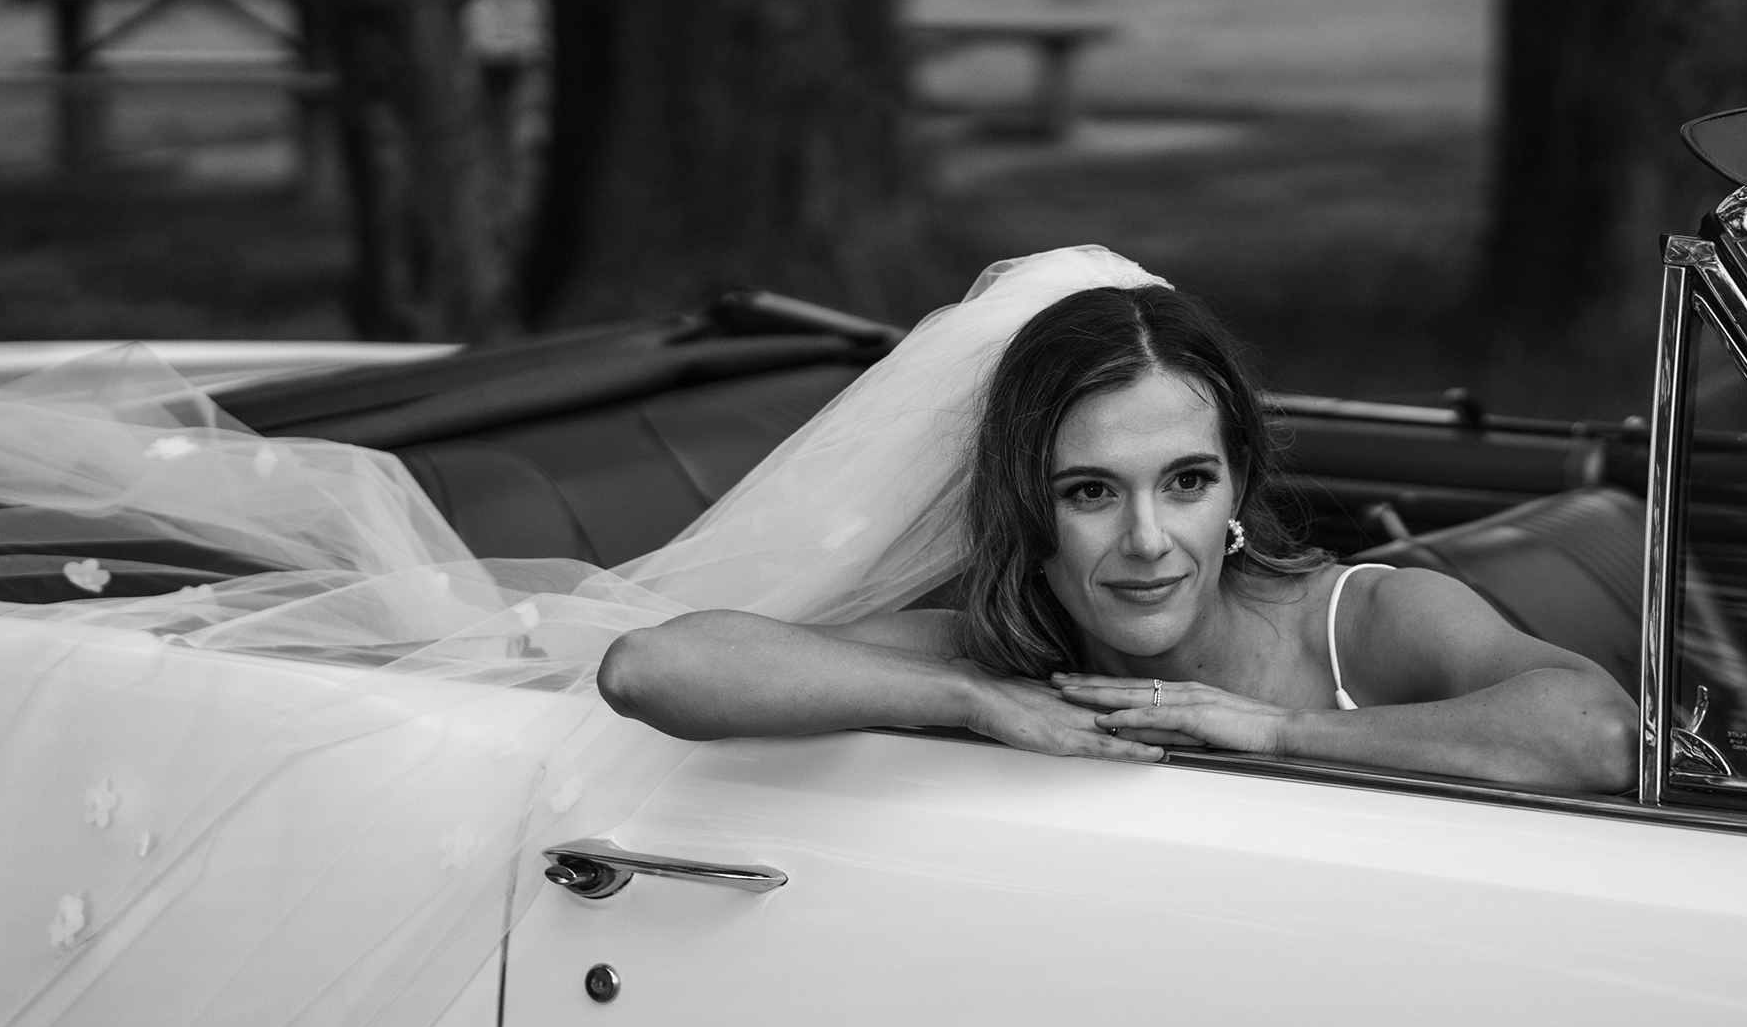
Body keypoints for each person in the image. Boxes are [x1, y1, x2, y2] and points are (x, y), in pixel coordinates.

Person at [598, 282, 1634, 793]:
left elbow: (1598, 736)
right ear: (1029, 508)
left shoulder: (1360, 622)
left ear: (1236, 485)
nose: (1147, 540)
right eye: (1091, 491)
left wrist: (1278, 732)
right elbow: (653, 668)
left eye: (1186, 482)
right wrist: (970, 697)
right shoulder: (994, 656)